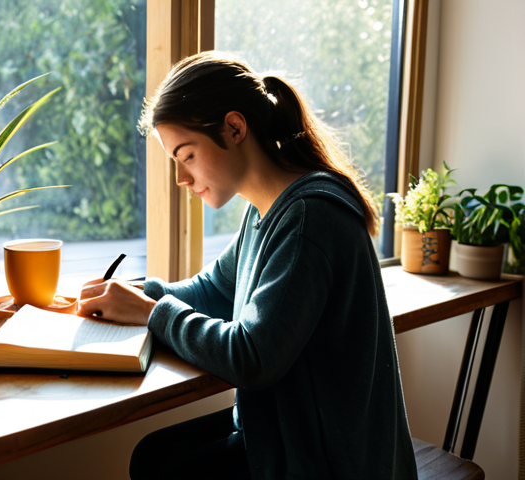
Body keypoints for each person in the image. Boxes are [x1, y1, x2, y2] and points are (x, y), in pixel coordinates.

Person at [77, 51, 417, 480]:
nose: (182, 179)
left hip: (326, 461)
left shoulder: (309, 218)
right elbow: (214, 290)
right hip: (288, 433)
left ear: (234, 128)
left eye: (188, 156)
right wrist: (135, 295)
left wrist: (151, 313)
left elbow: (251, 357)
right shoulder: (265, 210)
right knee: (151, 455)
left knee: (159, 467)